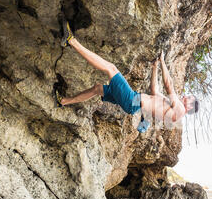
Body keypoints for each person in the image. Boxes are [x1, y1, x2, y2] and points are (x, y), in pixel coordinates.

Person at [56, 21, 199, 132]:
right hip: (134, 102)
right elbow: (154, 91)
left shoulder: (180, 110)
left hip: (132, 101)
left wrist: (163, 61)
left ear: (189, 107)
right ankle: (64, 101)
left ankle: (71, 40)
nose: (185, 96)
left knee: (111, 68)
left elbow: (169, 84)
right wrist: (155, 68)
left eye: (188, 98)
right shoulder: (170, 106)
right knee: (98, 88)